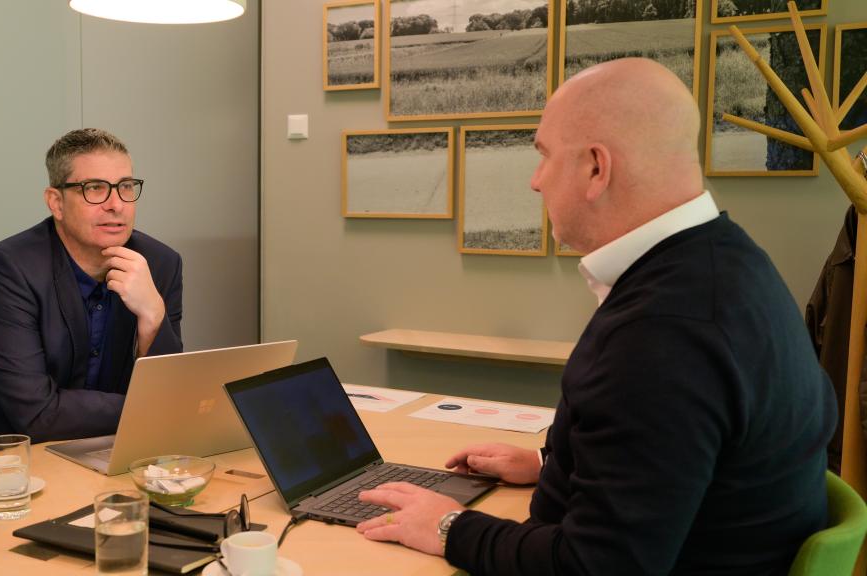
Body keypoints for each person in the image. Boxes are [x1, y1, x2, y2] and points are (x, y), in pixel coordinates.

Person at [355, 58, 837, 575]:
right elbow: (676, 456)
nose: (535, 181)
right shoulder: (729, 264)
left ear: (595, 168)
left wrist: (450, 527)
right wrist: (550, 466)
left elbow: (598, 566)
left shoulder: (665, 333)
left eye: (544, 156)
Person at [0, 128, 183, 467]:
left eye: (125, 187)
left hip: (110, 456)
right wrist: (149, 408)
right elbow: (38, 413)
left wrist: (153, 316)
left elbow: (170, 388)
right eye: (95, 188)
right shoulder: (5, 270)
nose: (116, 205)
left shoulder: (160, 263)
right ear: (56, 203)